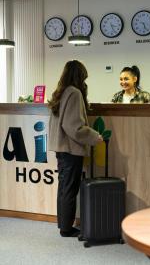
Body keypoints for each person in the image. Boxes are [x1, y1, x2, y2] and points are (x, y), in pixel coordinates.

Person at [48, 60, 103, 237]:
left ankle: (63, 225)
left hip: (62, 148)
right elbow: (74, 126)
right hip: (71, 149)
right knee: (69, 188)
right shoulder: (74, 93)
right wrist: (95, 137)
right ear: (79, 75)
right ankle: (66, 228)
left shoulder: (61, 92)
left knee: (64, 187)